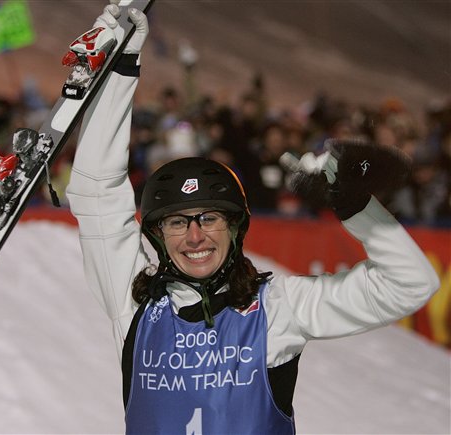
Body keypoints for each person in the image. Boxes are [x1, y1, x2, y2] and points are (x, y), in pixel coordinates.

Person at [66, 3, 440, 434]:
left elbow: (412, 284)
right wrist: (118, 70)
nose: (194, 236)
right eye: (176, 222)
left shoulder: (278, 307)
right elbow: (96, 191)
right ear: (157, 233)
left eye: (209, 218)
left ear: (236, 227)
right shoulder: (133, 304)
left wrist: (356, 207)